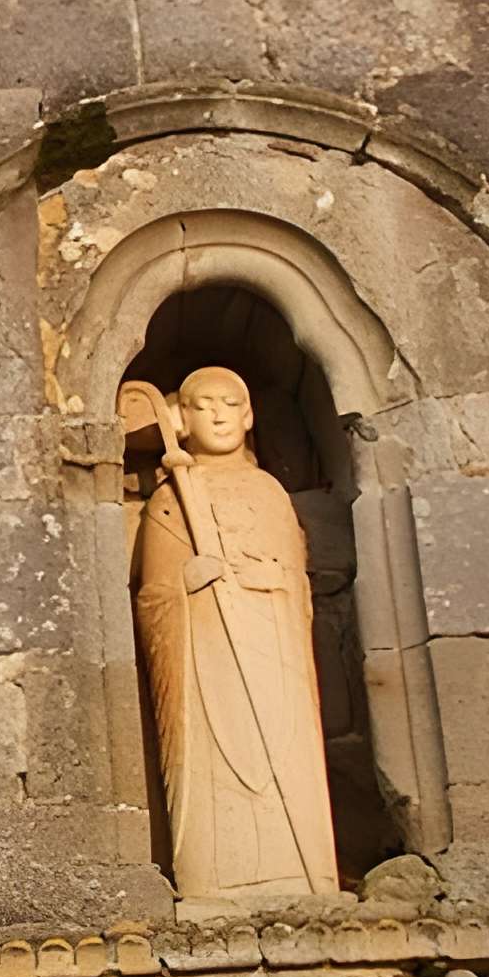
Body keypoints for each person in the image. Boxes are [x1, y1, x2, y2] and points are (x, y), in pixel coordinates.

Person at [131, 367, 338, 904]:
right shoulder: (171, 500)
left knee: (287, 750)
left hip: (272, 654)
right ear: (182, 417)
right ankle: (212, 880)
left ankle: (305, 873)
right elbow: (154, 598)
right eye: (203, 405)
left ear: (249, 416)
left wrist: (279, 583)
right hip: (208, 662)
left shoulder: (269, 491)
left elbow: (298, 580)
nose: (219, 414)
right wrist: (186, 584)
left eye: (230, 403)